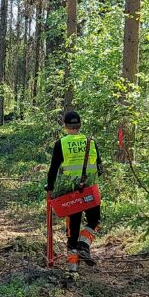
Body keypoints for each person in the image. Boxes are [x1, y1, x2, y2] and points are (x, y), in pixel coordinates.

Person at [45, 111, 102, 273]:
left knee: (72, 230)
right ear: (80, 125)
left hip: (71, 193)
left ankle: (72, 269)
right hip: (90, 190)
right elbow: (100, 168)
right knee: (94, 221)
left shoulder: (61, 144)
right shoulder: (91, 142)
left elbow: (53, 170)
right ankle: (84, 244)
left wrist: (50, 187)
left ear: (65, 126)